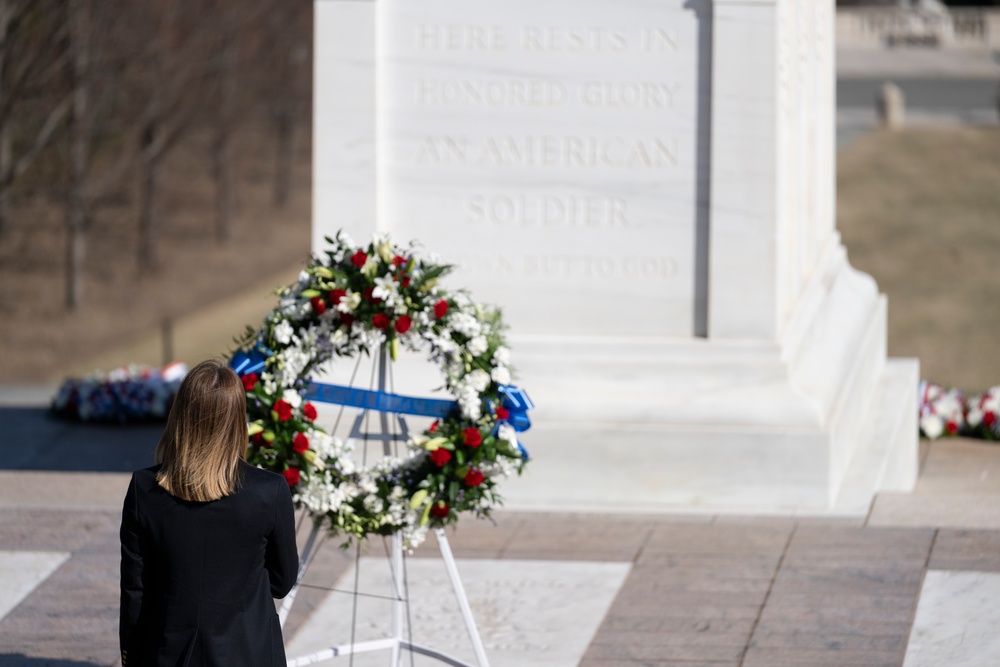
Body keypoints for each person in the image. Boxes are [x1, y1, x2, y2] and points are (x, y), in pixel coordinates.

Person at [120, 359, 299, 666]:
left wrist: (131, 653)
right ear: (236, 419)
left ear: (180, 415)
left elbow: (136, 590)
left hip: (167, 653)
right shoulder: (269, 491)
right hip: (247, 652)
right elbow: (282, 582)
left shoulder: (144, 489)